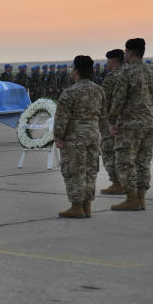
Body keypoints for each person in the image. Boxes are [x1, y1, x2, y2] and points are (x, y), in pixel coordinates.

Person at [107, 38, 153, 211]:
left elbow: (118, 99)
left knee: (125, 162)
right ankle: (141, 198)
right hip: (150, 123)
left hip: (130, 125)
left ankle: (131, 198)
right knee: (143, 162)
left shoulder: (126, 73)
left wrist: (112, 120)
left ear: (129, 52)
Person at [53, 56, 104, 218]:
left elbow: (61, 118)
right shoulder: (99, 90)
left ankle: (76, 206)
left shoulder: (70, 92)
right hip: (93, 136)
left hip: (74, 138)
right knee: (90, 171)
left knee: (74, 171)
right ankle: (87, 205)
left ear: (75, 71)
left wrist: (58, 137)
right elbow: (104, 114)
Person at [99, 49, 126, 196]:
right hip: (130, 121)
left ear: (112, 61)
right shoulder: (131, 74)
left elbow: (104, 101)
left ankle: (117, 183)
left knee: (109, 151)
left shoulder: (111, 78)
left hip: (112, 121)